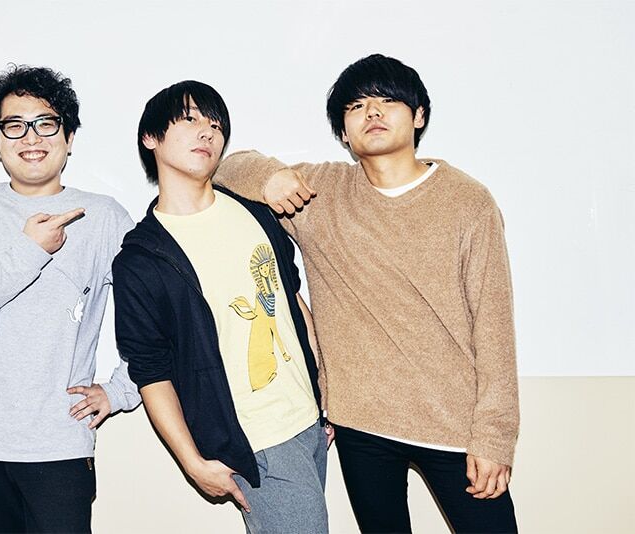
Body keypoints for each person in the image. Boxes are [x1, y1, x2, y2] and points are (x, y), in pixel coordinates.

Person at [214, 54, 519, 533]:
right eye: (356, 106)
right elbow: (228, 167)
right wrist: (270, 177)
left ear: (418, 116)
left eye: (387, 100)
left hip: (455, 424)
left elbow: (494, 325)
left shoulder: (467, 201)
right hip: (361, 423)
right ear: (343, 132)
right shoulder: (321, 192)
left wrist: (495, 436)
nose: (372, 112)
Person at [112, 80, 331, 533]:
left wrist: (325, 393)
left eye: (216, 125)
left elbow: (290, 300)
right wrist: (192, 462)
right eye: (190, 119)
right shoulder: (143, 257)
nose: (207, 132)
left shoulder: (256, 212)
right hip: (256, 442)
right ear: (150, 137)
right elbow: (150, 371)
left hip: (309, 423)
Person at [0, 65, 140, 533]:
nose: (31, 137)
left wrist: (121, 391)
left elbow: (152, 316)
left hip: (58, 442)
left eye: (46, 123)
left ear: (69, 137)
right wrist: (31, 250)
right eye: (15, 125)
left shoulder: (104, 216)